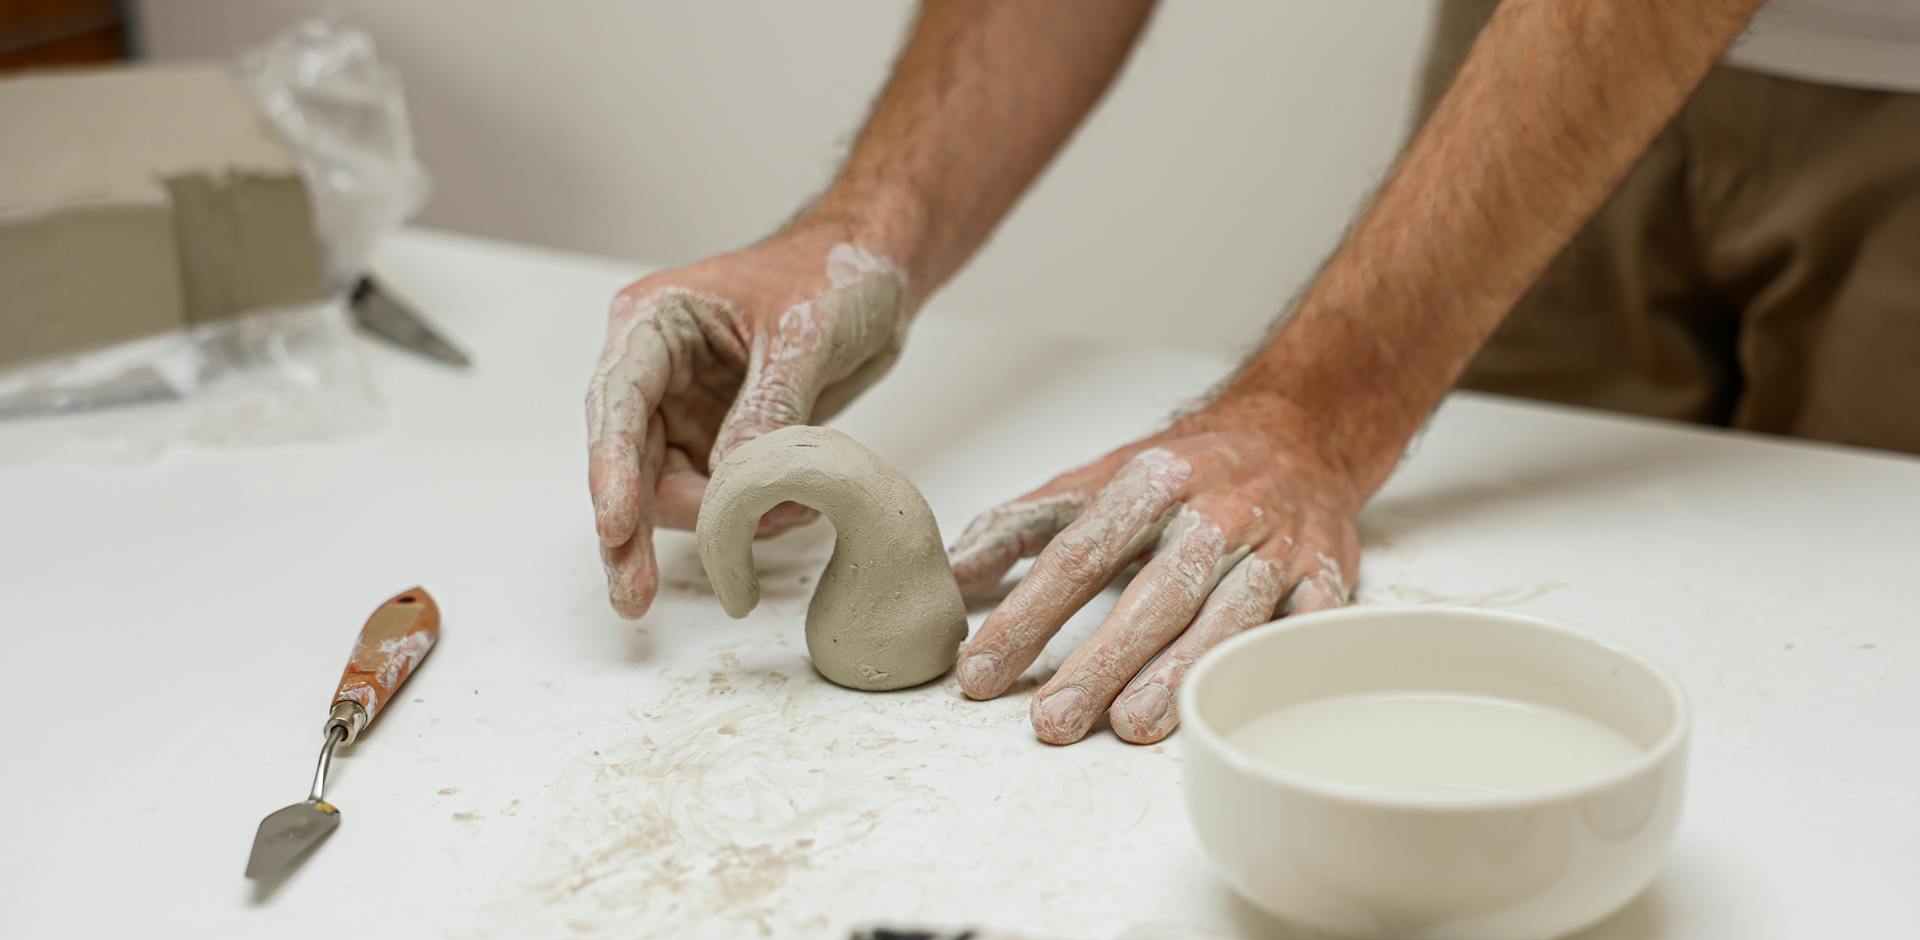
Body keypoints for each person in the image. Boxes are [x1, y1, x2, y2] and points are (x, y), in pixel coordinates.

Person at [584, 0, 1920, 747]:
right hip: (1532, 50)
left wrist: (1315, 415)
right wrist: (860, 234)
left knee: (1840, 697)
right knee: (1529, 626)